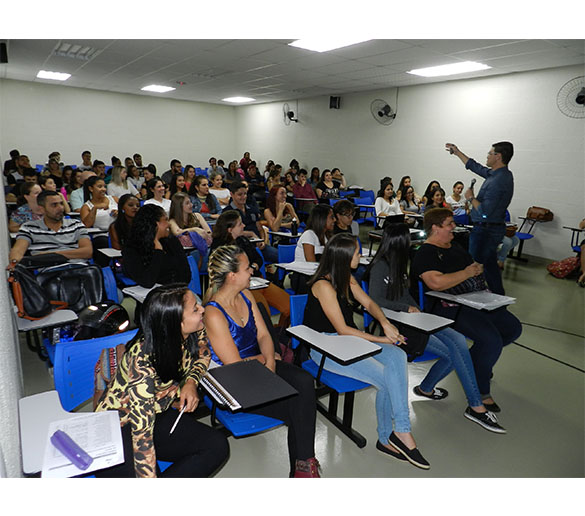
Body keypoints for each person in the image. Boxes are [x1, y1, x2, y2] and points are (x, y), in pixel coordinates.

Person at [303, 233, 430, 469]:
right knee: (386, 378)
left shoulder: (346, 277)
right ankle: (393, 435)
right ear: (344, 256)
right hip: (325, 348)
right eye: (357, 252)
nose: (361, 255)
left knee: (398, 355)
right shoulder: (323, 285)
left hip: (350, 342)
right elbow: (342, 330)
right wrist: (381, 338)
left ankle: (395, 434)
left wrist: (385, 323)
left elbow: (370, 304)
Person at [366, 222, 506, 433]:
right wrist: (407, 308)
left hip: (412, 319)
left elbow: (404, 294)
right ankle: (476, 406)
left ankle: (426, 389)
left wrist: (415, 308)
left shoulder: (399, 262)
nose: (413, 244)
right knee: (455, 351)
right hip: (398, 325)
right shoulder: (380, 266)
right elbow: (375, 300)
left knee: (457, 343)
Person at [203, 245, 320, 477]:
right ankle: (305, 469)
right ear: (232, 275)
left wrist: (271, 363)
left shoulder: (245, 295)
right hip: (236, 383)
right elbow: (235, 366)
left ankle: (303, 469)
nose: (252, 271)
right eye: (248, 268)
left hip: (260, 367)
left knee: (305, 382)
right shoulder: (213, 313)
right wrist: (266, 360)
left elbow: (265, 335)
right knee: (300, 407)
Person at [94, 284, 229, 478]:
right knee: (147, 473)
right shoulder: (142, 363)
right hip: (119, 427)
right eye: (195, 309)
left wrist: (190, 382)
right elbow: (142, 437)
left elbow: (204, 355)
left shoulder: (192, 330)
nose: (202, 309)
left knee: (216, 445)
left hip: (156, 413)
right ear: (176, 323)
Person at [411, 208, 522, 412]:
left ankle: (475, 362)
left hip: (475, 298)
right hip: (449, 305)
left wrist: (476, 269)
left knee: (512, 328)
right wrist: (466, 273)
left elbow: (471, 266)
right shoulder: (425, 253)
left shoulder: (455, 246)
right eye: (449, 224)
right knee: (490, 340)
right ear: (435, 228)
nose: (454, 226)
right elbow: (435, 283)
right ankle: (481, 389)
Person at [445, 142, 515, 295]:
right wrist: (457, 152)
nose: (487, 156)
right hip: (487, 228)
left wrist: (471, 198)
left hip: (486, 229)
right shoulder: (497, 174)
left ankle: (477, 294)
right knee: (489, 265)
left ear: (498, 156)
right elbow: (475, 166)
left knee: (476, 265)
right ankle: (497, 295)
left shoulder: (499, 181)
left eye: (490, 153)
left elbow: (485, 212)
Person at [210, 211, 291, 327]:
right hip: (242, 287)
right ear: (230, 229)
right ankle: (270, 334)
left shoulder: (243, 240)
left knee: (289, 306)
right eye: (240, 224)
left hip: (259, 281)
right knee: (263, 314)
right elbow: (221, 271)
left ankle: (280, 333)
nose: (243, 226)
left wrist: (253, 267)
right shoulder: (220, 247)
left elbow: (258, 258)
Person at [9, 190, 93, 264]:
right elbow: (18, 251)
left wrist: (49, 255)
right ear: (42, 209)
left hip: (80, 269)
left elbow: (87, 252)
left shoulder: (76, 224)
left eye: (61, 203)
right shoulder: (29, 227)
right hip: (50, 273)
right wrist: (14, 262)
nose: (60, 208)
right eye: (54, 205)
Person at [122, 204, 191, 288]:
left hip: (176, 292)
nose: (169, 224)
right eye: (165, 220)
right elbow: (147, 282)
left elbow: (186, 275)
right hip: (151, 296)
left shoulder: (172, 241)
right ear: (155, 224)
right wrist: (158, 251)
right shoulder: (132, 248)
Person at [224, 180, 278, 263]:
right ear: (232, 194)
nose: (243, 197)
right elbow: (230, 232)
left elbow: (260, 229)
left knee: (281, 257)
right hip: (240, 247)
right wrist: (250, 233)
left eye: (245, 194)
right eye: (239, 194)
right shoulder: (228, 212)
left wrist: (262, 241)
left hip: (257, 245)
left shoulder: (252, 209)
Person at [169, 192, 212, 268]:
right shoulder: (172, 221)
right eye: (187, 203)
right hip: (186, 255)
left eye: (190, 202)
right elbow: (177, 232)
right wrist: (195, 229)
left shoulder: (197, 216)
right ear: (179, 206)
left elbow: (209, 233)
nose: (191, 205)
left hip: (203, 250)